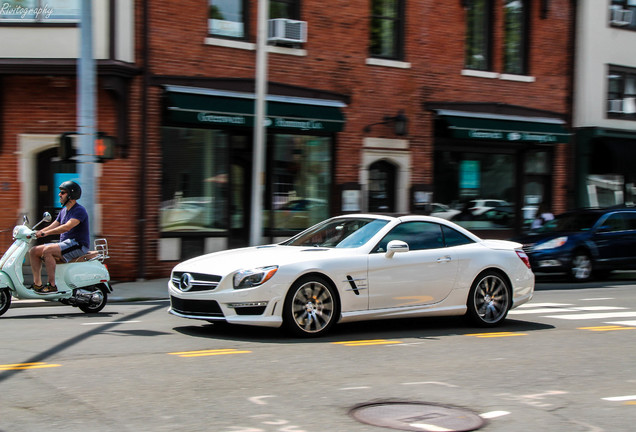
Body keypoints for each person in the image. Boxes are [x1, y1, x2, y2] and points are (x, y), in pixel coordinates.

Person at [29, 181, 90, 294]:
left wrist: (45, 234)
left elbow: (66, 227)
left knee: (48, 251)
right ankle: (37, 284)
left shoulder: (79, 210)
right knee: (34, 251)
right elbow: (54, 225)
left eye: (62, 192)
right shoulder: (64, 211)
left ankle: (52, 285)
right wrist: (37, 232)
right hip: (66, 244)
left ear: (71, 195)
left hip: (78, 245)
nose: (59, 195)